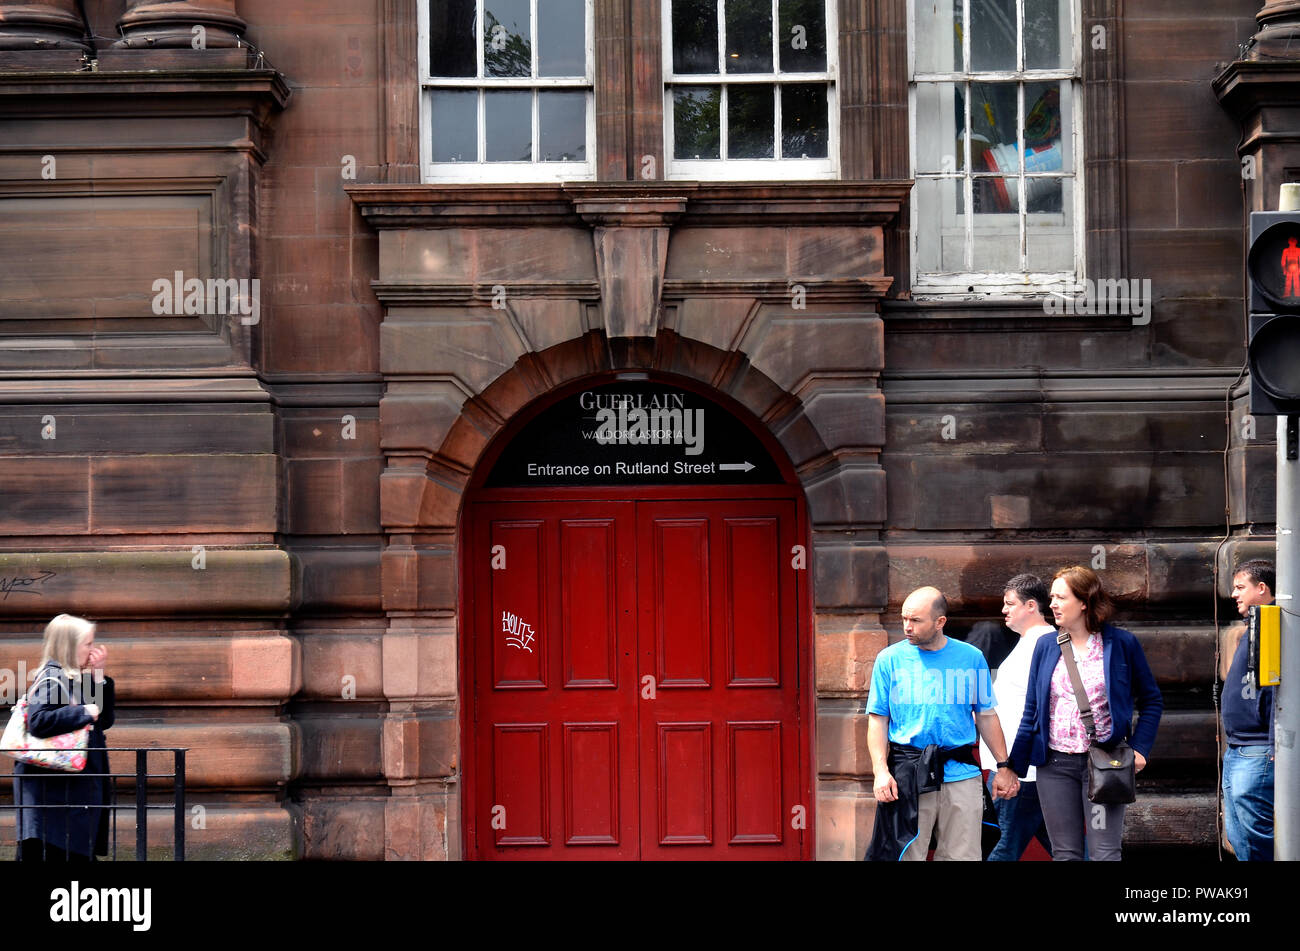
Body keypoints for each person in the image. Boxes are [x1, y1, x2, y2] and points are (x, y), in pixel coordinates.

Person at [1009, 566, 1162, 861]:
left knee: (1104, 853)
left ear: (1084, 602)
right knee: (1065, 854)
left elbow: (1152, 700)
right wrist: (1011, 766)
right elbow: (1032, 710)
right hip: (1053, 765)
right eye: (1051, 597)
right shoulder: (1045, 645)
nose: (1052, 603)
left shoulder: (1121, 644)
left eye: (1060, 597)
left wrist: (1140, 748)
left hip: (1104, 763)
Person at [865, 586, 1020, 861]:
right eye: (904, 619)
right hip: (908, 774)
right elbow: (878, 720)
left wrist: (1003, 765)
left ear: (940, 622)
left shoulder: (971, 657)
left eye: (915, 620)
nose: (907, 627)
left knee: (962, 856)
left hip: (961, 773)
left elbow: (986, 715)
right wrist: (880, 771)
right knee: (905, 856)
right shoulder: (889, 659)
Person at [13, 614, 115, 861]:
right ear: (69, 646)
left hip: (67, 797)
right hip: (55, 799)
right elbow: (39, 721)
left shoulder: (74, 679)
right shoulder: (53, 678)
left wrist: (99, 677)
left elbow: (103, 719)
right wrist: (82, 712)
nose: (93, 650)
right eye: (88, 644)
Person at [979, 574, 1054, 860]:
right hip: (1021, 768)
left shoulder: (1044, 643)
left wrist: (1009, 767)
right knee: (1065, 848)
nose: (1004, 610)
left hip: (1020, 771)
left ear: (1031, 606)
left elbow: (1039, 711)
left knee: (999, 848)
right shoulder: (1029, 643)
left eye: (1010, 604)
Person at [1219, 559, 1275, 860]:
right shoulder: (1253, 625)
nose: (1234, 594)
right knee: (1237, 830)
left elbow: (1278, 689)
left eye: (1241, 587)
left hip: (1257, 746)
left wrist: (1274, 740)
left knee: (1253, 828)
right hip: (1238, 745)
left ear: (1262, 588)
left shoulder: (1274, 625)